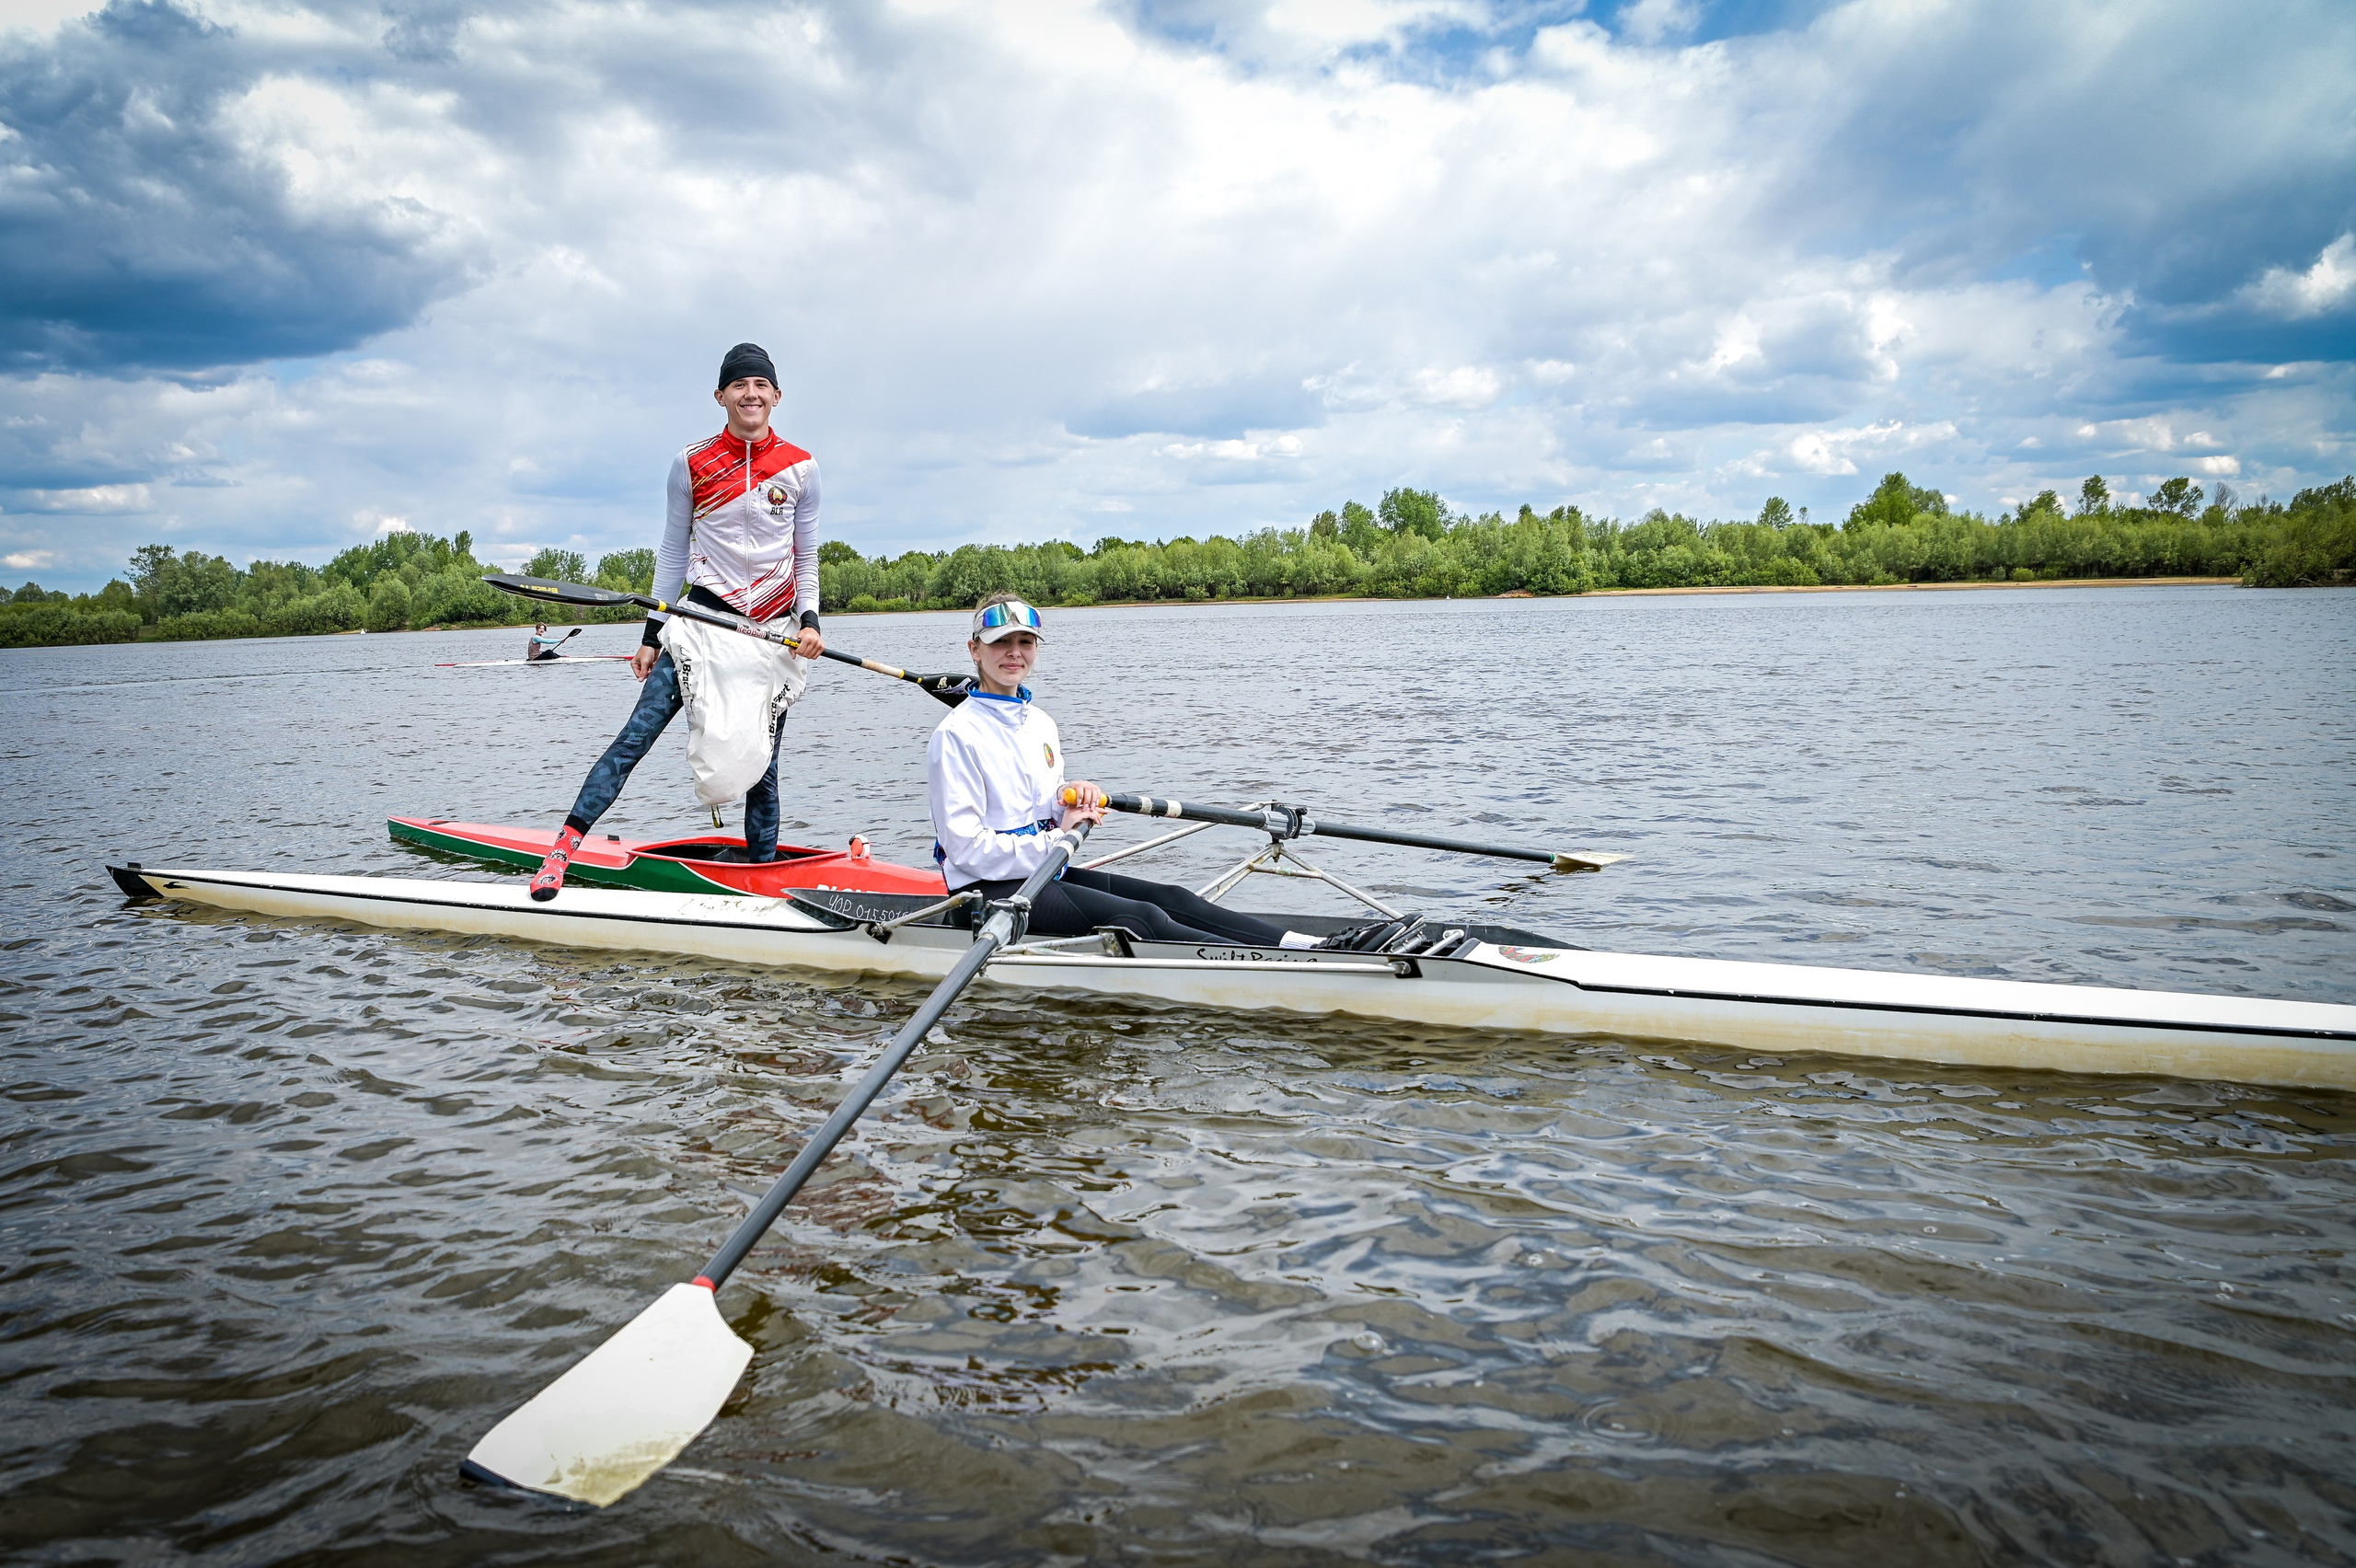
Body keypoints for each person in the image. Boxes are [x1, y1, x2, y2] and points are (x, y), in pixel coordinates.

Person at [529, 342, 825, 900]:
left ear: (777, 396)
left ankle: (759, 885)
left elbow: (806, 557)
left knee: (764, 766)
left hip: (773, 631)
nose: (751, 394)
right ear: (721, 396)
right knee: (633, 740)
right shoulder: (690, 462)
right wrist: (649, 635)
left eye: (761, 385)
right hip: (699, 624)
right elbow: (671, 552)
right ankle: (560, 854)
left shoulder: (802, 467)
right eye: (739, 385)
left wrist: (809, 620)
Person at [928, 593, 1324, 948]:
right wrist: (1056, 841)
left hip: (1039, 873)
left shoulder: (1041, 723)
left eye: (1025, 642)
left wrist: (1067, 796)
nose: (1014, 652)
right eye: (1001, 642)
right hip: (984, 896)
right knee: (1140, 918)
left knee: (1172, 898)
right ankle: (1281, 965)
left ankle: (1310, 947)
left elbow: (1033, 807)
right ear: (975, 650)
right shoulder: (956, 735)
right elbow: (967, 850)